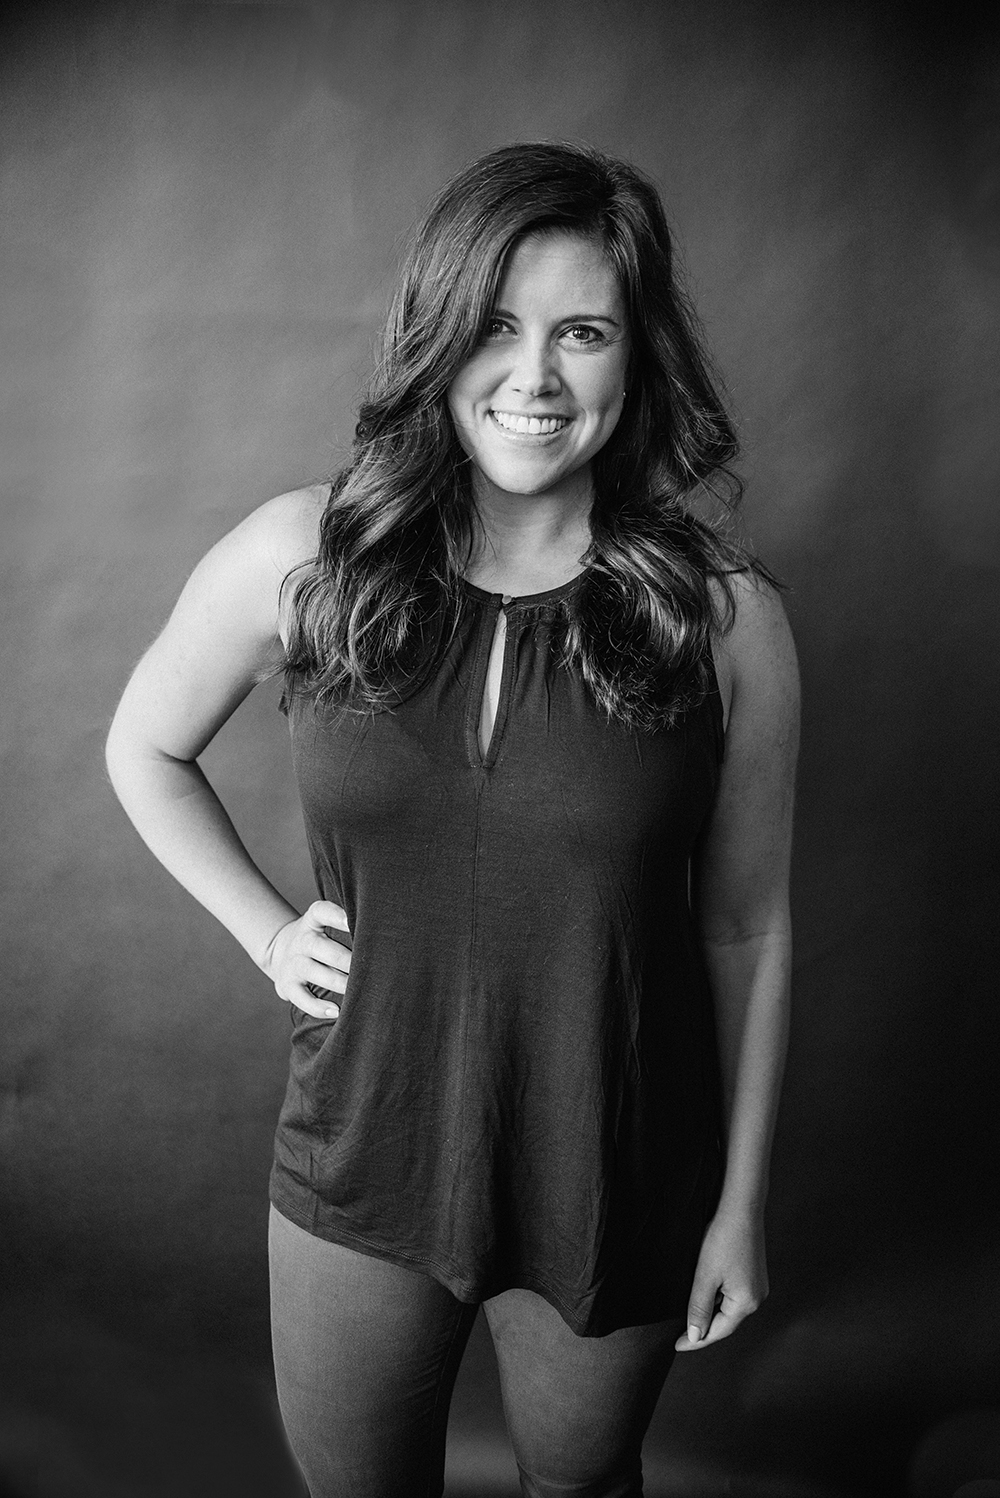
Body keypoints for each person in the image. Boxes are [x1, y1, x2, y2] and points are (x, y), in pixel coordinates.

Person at [105, 141, 799, 1498]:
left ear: (636, 355)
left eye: (583, 332)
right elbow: (144, 745)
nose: (534, 376)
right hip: (365, 1149)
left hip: (617, 1162)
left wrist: (739, 1203)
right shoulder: (306, 556)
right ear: (437, 334)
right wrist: (265, 934)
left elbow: (747, 928)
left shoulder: (724, 617)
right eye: (495, 326)